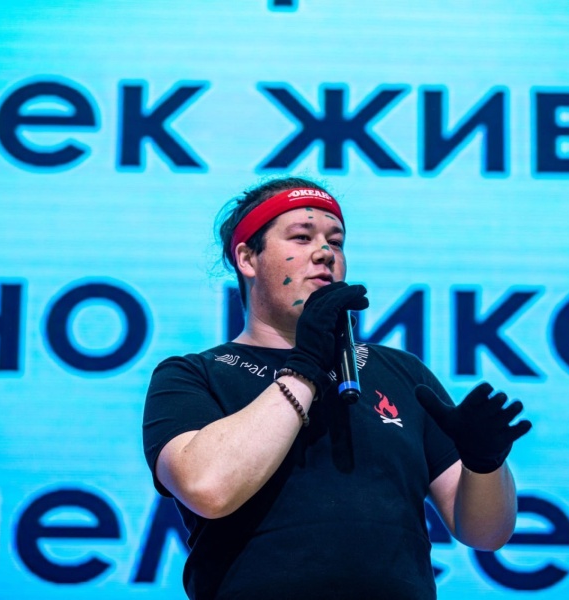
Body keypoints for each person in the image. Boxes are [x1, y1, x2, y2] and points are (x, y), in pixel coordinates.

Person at [142, 176, 532, 599]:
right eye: (301, 237)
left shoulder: (401, 372)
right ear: (247, 258)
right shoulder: (193, 375)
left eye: (336, 241)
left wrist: (484, 463)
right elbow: (208, 489)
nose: (325, 253)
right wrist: (305, 364)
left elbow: (486, 533)